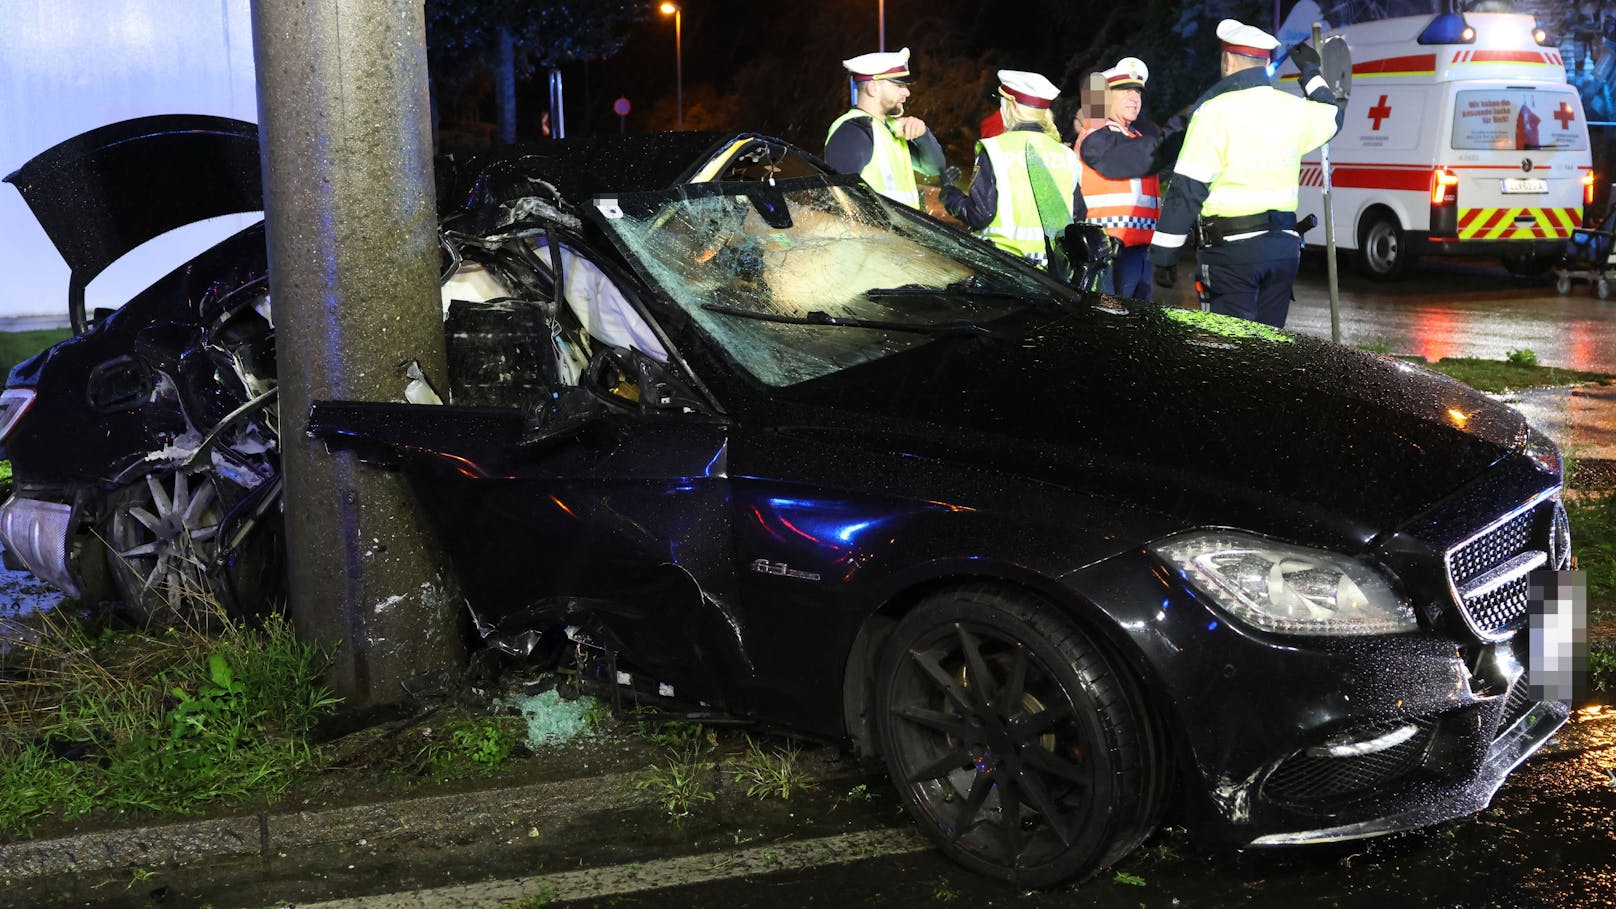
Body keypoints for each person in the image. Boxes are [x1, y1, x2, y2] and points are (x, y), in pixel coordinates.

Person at [1146, 19, 1345, 328]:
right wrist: (1311, 74)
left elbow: (1188, 189)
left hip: (1231, 254)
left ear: (1227, 60)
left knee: (1227, 352)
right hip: (1283, 250)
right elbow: (1333, 115)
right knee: (1267, 349)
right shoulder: (1294, 109)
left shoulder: (1213, 112)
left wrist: (1164, 254)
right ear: (1265, 61)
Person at [942, 70, 1085, 271]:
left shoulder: (995, 149)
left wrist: (948, 194)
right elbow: (1079, 215)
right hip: (1053, 272)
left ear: (1013, 105)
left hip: (1004, 268)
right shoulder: (1066, 155)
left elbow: (980, 214)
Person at [1074, 56, 1181, 300]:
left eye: (1138, 93)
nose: (1134, 99)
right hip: (1110, 251)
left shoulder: (1131, 137)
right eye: (1124, 92)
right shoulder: (1098, 135)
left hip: (1139, 249)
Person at [825, 47, 947, 208]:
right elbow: (837, 200)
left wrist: (923, 134)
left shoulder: (889, 129)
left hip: (897, 232)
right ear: (873, 88)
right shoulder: (854, 131)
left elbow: (935, 168)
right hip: (874, 234)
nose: (907, 92)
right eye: (899, 86)